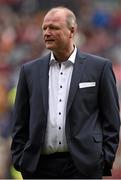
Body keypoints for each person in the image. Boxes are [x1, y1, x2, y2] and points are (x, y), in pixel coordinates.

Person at [11, 6, 120, 179]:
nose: (47, 32)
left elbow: (111, 119)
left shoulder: (99, 68)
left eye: (53, 27)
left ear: (72, 31)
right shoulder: (29, 71)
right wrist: (20, 159)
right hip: (40, 168)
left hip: (84, 167)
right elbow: (20, 121)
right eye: (44, 28)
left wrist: (104, 159)